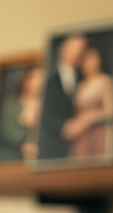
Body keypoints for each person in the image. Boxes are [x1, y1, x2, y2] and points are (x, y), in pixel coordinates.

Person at [38, 32, 87, 160]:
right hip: (53, 144)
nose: (76, 54)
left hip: (80, 144)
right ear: (63, 50)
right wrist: (65, 126)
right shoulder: (48, 78)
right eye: (73, 49)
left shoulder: (84, 77)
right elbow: (44, 110)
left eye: (80, 50)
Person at [63, 47, 113, 159]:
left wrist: (89, 118)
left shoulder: (105, 81)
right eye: (87, 60)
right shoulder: (80, 86)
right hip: (81, 135)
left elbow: (111, 111)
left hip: (97, 132)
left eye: (94, 59)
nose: (91, 63)